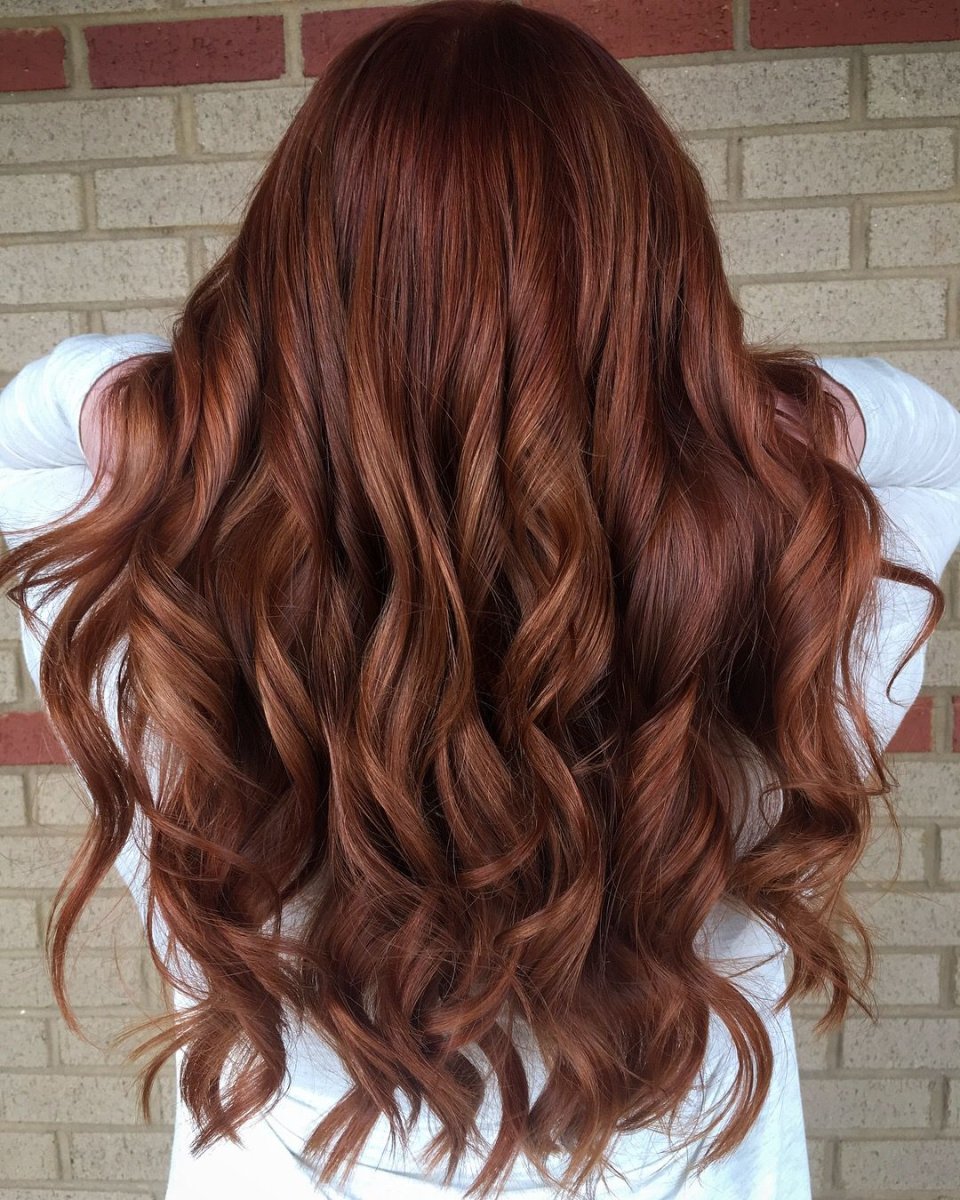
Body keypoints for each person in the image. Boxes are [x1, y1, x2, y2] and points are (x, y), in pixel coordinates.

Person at [1, 2, 959, 1197]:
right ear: (663, 292)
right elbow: (937, 447)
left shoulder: (147, 613)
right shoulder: (810, 596)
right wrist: (772, 415)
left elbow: (30, 423)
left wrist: (170, 411)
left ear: (290, 285)